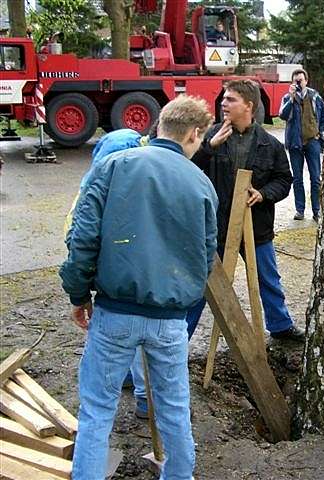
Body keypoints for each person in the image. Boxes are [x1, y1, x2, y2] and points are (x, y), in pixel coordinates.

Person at [60, 95, 217, 479]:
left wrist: (78, 294)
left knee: (97, 410)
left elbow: (83, 238)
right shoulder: (201, 183)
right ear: (194, 134)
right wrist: (183, 298)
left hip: (115, 311)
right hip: (169, 319)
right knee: (174, 409)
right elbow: (206, 254)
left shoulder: (114, 166)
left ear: (160, 125)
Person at [191, 79, 304, 342]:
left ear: (249, 106)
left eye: (230, 99)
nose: (223, 103)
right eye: (223, 99)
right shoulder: (210, 136)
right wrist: (209, 148)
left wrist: (263, 194)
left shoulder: (269, 143)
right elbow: (187, 170)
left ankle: (280, 325)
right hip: (215, 228)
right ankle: (177, 340)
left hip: (256, 226)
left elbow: (284, 180)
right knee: (201, 285)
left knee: (268, 279)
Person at [279, 68, 324, 222]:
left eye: (300, 80)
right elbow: (282, 115)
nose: (298, 83)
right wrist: (292, 99)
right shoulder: (288, 97)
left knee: (316, 178)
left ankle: (316, 210)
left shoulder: (315, 96)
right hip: (295, 143)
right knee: (297, 178)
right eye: (295, 80)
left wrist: (320, 133)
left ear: (306, 81)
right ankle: (300, 210)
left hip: (312, 141)